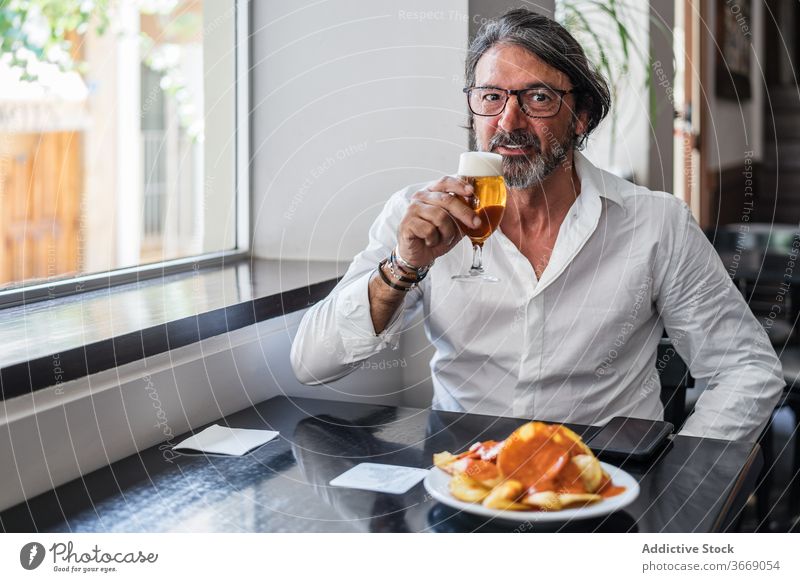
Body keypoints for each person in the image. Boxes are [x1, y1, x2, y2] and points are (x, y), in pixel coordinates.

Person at [290, 8, 782, 442]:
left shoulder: (656, 223)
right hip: (468, 481)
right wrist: (402, 267)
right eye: (490, 97)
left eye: (539, 98)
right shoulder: (416, 215)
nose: (509, 122)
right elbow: (313, 364)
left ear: (582, 115)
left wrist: (682, 473)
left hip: (603, 482)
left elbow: (746, 369)